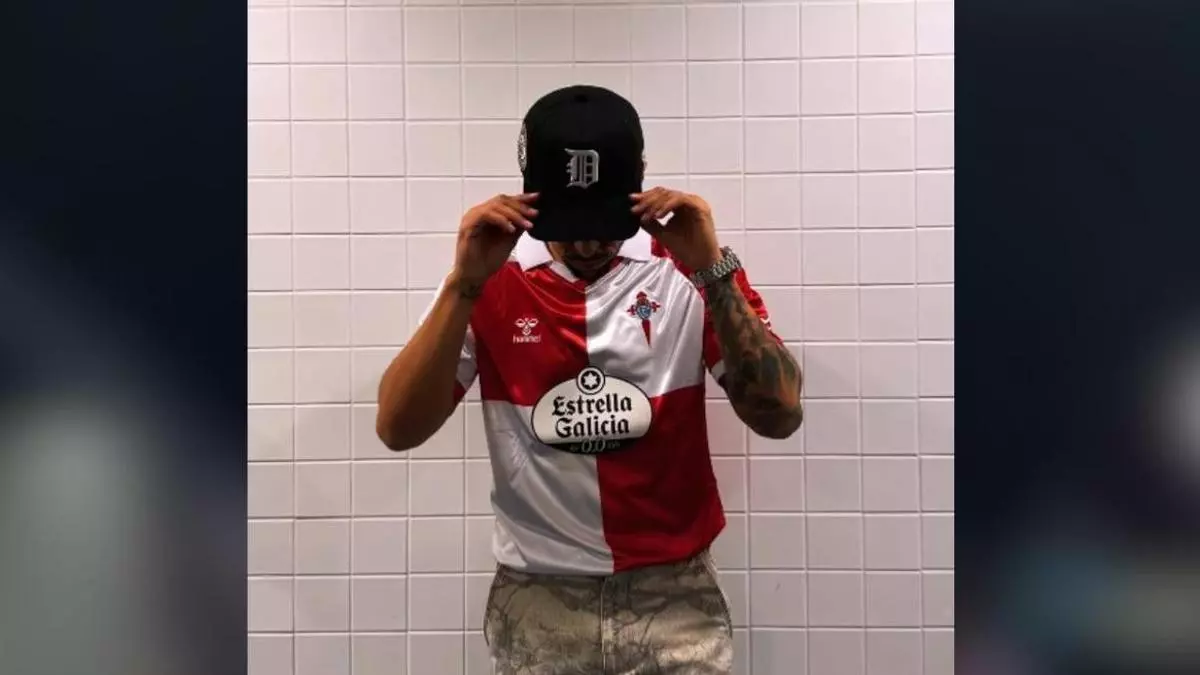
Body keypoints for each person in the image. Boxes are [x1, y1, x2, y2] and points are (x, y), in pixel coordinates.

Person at [376, 85, 804, 674]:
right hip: (539, 597)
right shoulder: (490, 277)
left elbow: (781, 415)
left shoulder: (688, 271)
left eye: (604, 222)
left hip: (673, 594)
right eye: (569, 221)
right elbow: (397, 429)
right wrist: (462, 284)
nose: (585, 243)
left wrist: (713, 270)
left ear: (641, 184)